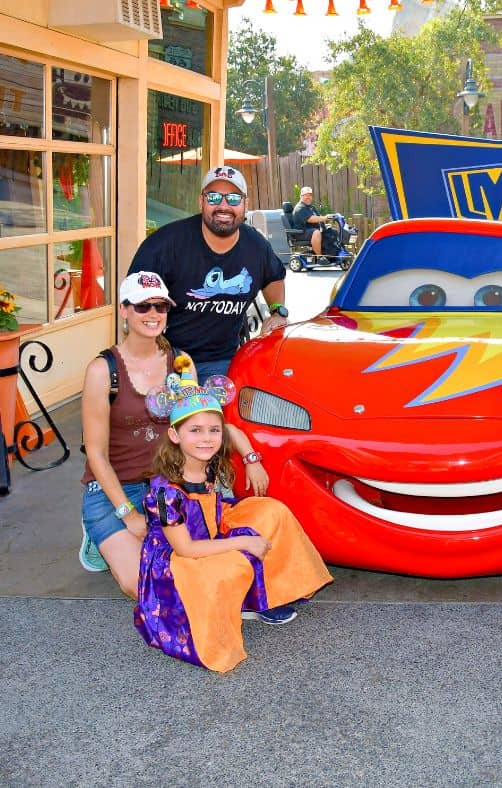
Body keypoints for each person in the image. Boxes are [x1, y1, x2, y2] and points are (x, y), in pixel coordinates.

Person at [134, 361, 333, 672]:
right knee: (233, 562)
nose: (207, 438)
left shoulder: (209, 457)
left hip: (213, 526)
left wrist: (252, 459)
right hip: (180, 559)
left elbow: (231, 431)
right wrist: (241, 541)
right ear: (174, 434)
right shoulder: (165, 491)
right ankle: (226, 609)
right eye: (195, 430)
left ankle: (261, 600)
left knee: (272, 512)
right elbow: (185, 548)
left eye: (213, 430)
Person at [79, 272, 270, 593]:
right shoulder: (102, 371)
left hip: (172, 487)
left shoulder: (181, 364)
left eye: (160, 306)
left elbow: (203, 426)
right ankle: (98, 538)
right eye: (142, 307)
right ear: (123, 311)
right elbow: (95, 454)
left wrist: (250, 456)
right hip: (116, 492)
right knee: (142, 583)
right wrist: (127, 514)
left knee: (196, 565)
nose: (153, 314)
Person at [128, 165, 290, 383]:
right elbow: (133, 302)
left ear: (245, 205)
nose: (223, 206)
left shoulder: (256, 246)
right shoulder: (165, 245)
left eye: (233, 198)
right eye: (213, 197)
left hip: (221, 361)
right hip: (164, 358)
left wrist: (277, 311)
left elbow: (273, 276)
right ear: (201, 201)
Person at [291, 185, 333, 257]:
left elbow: (318, 218)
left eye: (310, 195)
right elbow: (311, 219)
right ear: (301, 196)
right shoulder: (300, 208)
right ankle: (320, 257)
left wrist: (325, 224)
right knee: (316, 232)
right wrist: (325, 218)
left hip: (309, 231)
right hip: (300, 233)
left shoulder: (311, 207)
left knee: (331, 230)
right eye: (305, 195)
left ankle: (332, 254)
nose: (308, 197)